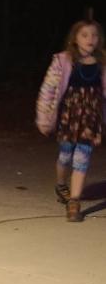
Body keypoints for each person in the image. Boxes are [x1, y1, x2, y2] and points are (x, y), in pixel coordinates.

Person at [35, 17, 106, 223]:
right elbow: (47, 91)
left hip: (91, 118)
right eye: (84, 35)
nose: (90, 39)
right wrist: (43, 118)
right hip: (69, 116)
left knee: (81, 158)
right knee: (66, 155)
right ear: (75, 38)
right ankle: (61, 184)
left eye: (94, 35)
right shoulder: (63, 61)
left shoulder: (102, 63)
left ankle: (74, 202)